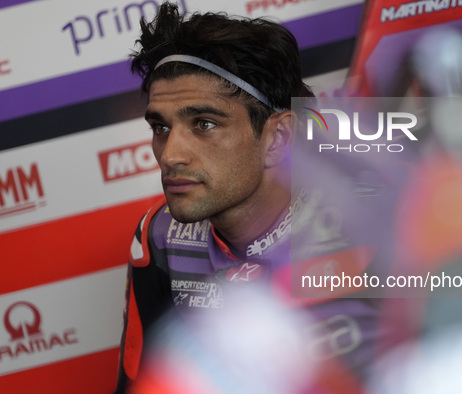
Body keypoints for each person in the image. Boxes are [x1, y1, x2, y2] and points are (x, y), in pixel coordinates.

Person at [114, 3, 390, 393]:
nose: (170, 154)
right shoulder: (160, 237)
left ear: (277, 138)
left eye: (204, 124)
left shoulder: (374, 224)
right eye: (160, 127)